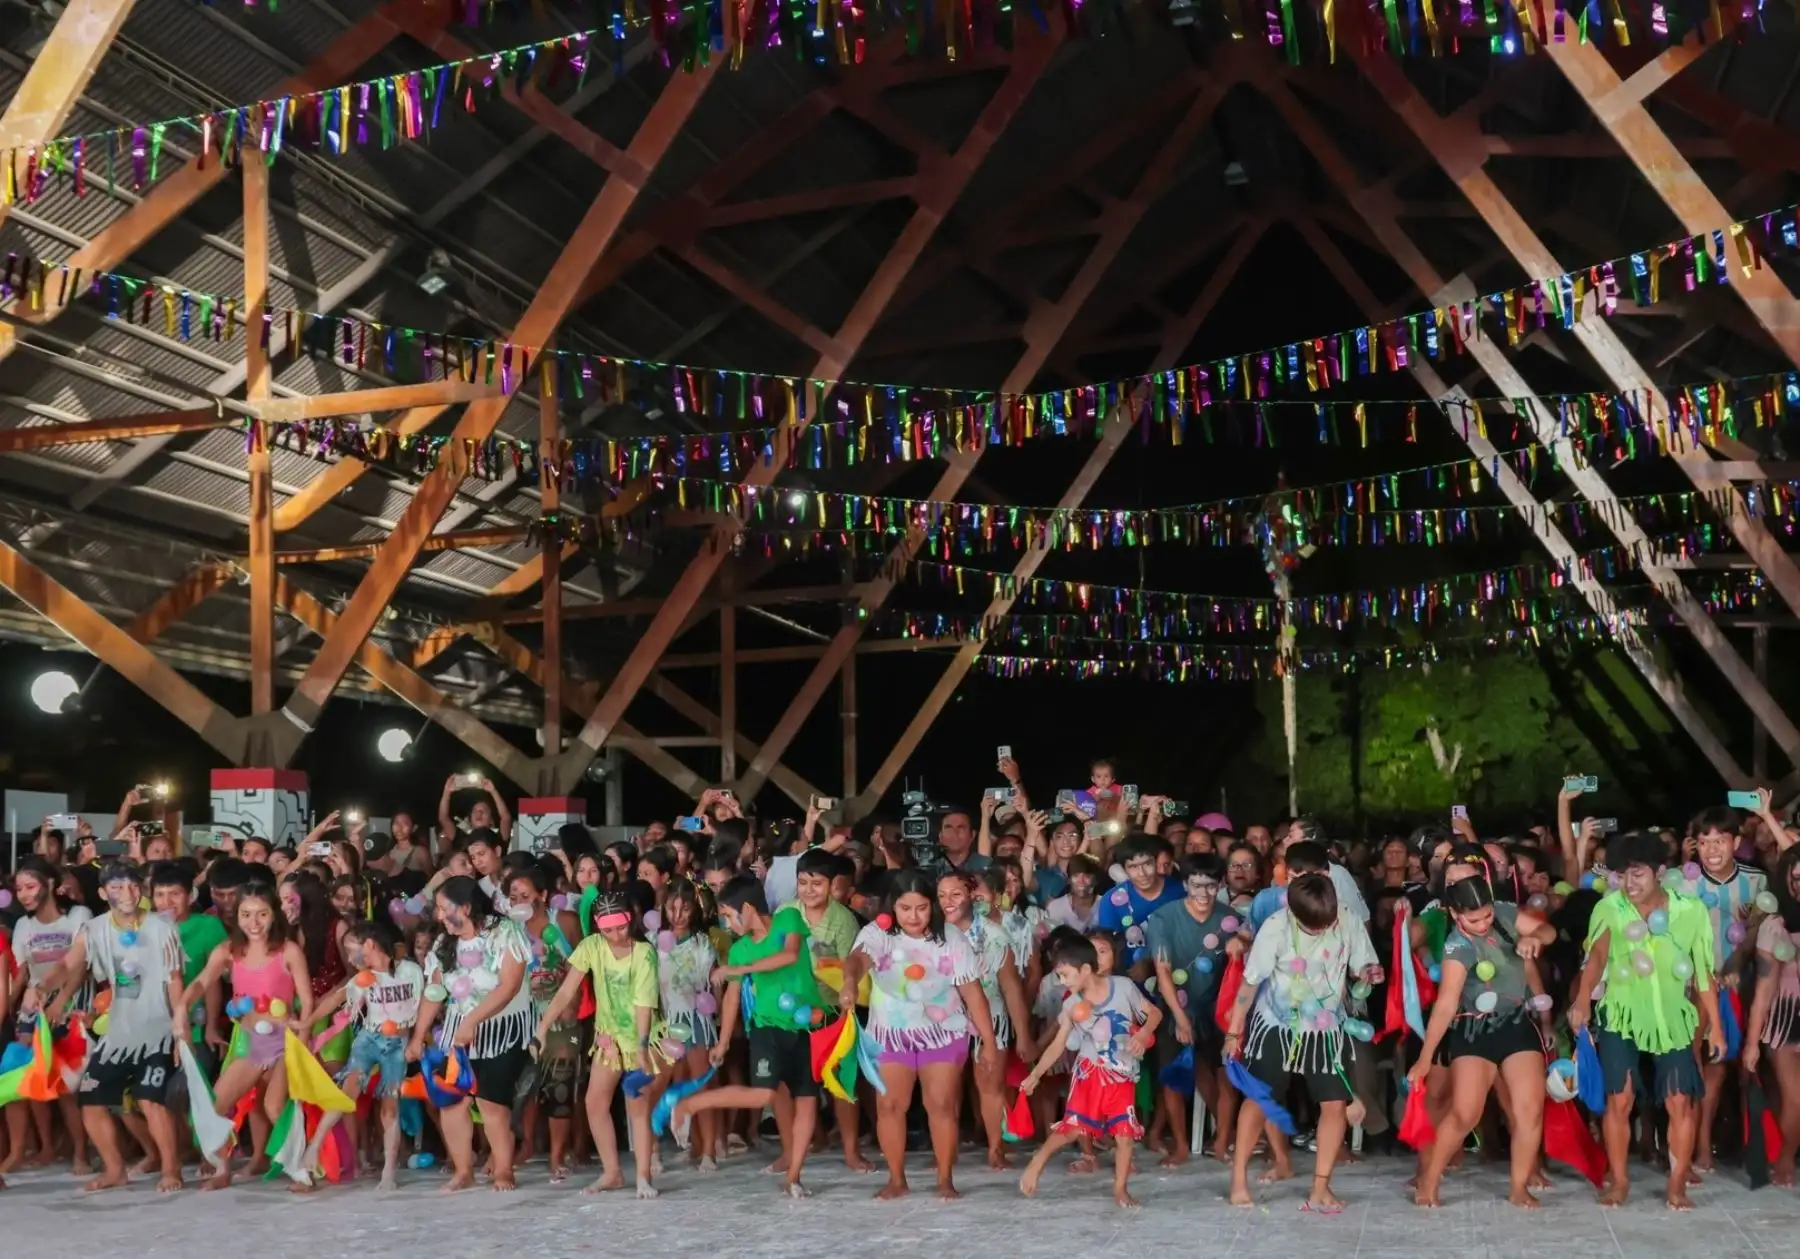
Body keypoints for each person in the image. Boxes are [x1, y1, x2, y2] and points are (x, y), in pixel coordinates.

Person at [1569, 829, 1725, 1210]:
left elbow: (1703, 974)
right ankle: (1619, 1182)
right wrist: (1582, 999)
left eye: (1637, 873)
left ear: (1659, 871)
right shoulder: (1610, 907)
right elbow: (1598, 957)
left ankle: (1676, 1186)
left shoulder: (1691, 911)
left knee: (1679, 1101)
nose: (1628, 883)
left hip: (1673, 1019)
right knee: (1618, 1100)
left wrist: (1716, 1027)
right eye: (1622, 874)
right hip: (1621, 1015)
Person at [1225, 871, 1379, 1213]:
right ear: (1294, 912)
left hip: (1325, 1027)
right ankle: (1238, 1179)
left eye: (1327, 922)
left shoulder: (1347, 920)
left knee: (1335, 1104)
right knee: (1260, 1098)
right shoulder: (1277, 927)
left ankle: (1321, 1187)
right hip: (1277, 1024)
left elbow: (1363, 963)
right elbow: (1250, 984)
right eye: (1314, 926)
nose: (1323, 930)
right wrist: (1235, 1032)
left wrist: (1369, 971)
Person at [838, 868, 996, 1201]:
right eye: (905, 908)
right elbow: (856, 960)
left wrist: (990, 1044)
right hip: (890, 1035)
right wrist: (850, 982)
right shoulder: (877, 933)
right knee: (891, 1106)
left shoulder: (951, 938)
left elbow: (973, 994)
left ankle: (945, 1178)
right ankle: (897, 1179)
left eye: (922, 908)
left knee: (941, 1105)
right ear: (892, 906)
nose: (914, 916)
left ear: (932, 906)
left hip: (944, 1033)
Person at [1406, 873, 1556, 1209]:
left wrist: (1537, 939)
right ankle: (1430, 1180)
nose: (1484, 922)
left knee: (1530, 1110)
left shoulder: (1504, 912)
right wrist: (1426, 1058)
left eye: (1487, 914)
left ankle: (1518, 1187)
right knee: (1464, 1113)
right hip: (1474, 1030)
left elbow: (1548, 930)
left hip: (1516, 1023)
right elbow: (1445, 1006)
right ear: (1455, 915)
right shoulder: (1456, 948)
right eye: (1474, 919)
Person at [672, 878, 825, 1199]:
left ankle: (794, 1176)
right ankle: (699, 1100)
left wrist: (737, 971)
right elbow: (731, 998)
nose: (727, 923)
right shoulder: (740, 949)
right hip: (767, 1027)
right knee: (763, 1094)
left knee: (807, 1101)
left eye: (728, 915)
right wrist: (723, 1041)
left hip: (806, 1026)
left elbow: (788, 954)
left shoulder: (788, 918)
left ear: (748, 908)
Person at [41, 862, 185, 1192]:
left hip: (158, 1029)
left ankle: (171, 1169)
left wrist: (180, 1027)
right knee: (90, 1098)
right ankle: (114, 1169)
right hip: (119, 1031)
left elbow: (175, 980)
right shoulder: (94, 929)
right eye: (117, 888)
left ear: (141, 889)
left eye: (133, 886)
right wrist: (42, 989)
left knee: (150, 1098)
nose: (127, 893)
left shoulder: (163, 928)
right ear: (103, 893)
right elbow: (67, 964)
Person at [177, 881, 315, 1190]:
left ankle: (302, 1170)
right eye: (246, 914)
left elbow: (306, 1001)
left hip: (284, 1043)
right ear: (236, 915)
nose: (254, 923)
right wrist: (182, 1007)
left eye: (262, 914)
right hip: (251, 1044)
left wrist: (301, 1045)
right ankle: (221, 1169)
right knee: (215, 1105)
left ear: (274, 914)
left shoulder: (288, 950)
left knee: (275, 1106)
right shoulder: (229, 951)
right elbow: (201, 982)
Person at [1018, 934, 1160, 1208]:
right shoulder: (1071, 1005)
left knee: (1124, 1135)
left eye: (1065, 975)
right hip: (1089, 1074)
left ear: (1085, 969)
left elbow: (1154, 1014)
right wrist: (1035, 1074)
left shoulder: (1123, 987)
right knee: (1073, 1129)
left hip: (1122, 1072)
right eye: (1058, 977)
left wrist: (1142, 1034)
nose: (1062, 982)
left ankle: (1120, 1189)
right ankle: (1038, 1161)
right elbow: (1058, 1046)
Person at [410, 875, 532, 1192]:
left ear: (465, 907)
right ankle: (463, 1170)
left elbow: (509, 985)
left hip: (503, 1029)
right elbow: (434, 991)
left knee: (492, 1102)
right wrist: (417, 1034)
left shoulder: (505, 932)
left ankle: (504, 1169)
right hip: (459, 1029)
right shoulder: (443, 943)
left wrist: (474, 1020)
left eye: (443, 908)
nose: (438, 916)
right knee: (451, 1100)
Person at [1677, 803, 1769, 1170]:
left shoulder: (1756, 881)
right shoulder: (1681, 882)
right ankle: (1696, 1147)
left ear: (1736, 842)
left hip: (1738, 988)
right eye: (1704, 841)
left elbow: (1755, 935)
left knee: (1730, 1071)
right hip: (1690, 988)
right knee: (1695, 1067)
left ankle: (1745, 1145)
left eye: (1720, 841)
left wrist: (1733, 965)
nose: (1712, 849)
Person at [305, 920, 421, 1189]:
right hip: (368, 1038)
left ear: (369, 945)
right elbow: (335, 999)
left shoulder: (410, 971)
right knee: (348, 1092)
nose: (348, 957)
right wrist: (307, 1023)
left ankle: (389, 1171)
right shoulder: (361, 979)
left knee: (390, 1106)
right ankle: (314, 1146)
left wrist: (419, 1037)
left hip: (397, 1045)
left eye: (351, 949)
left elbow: (425, 1002)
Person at [1147, 853, 1239, 1167]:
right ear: (1184, 884)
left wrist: (1244, 943)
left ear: (1221, 886)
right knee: (1173, 1078)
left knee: (1227, 1076)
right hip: (1176, 1006)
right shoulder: (1163, 918)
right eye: (1196, 886)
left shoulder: (1231, 920)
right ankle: (1181, 1146)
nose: (1203, 894)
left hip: (1218, 1009)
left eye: (1211, 887)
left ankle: (1223, 1141)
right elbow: (1162, 969)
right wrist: (1180, 1018)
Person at [941, 869, 1034, 1169]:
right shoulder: (933, 933)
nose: (948, 901)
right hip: (945, 1021)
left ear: (971, 895)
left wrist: (1023, 1034)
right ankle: (947, 1149)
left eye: (956, 894)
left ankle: (996, 1148)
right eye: (942, 895)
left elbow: (1011, 988)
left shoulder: (995, 935)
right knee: (946, 1089)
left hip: (991, 1018)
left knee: (990, 1086)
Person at [5, 855, 92, 1175]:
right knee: (29, 1077)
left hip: (74, 1002)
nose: (25, 894)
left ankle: (81, 1152)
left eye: (31, 886)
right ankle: (43, 1147)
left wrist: (62, 1002)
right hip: (36, 1002)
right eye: (19, 889)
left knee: (68, 1086)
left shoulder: (78, 915)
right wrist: (9, 1008)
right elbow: (21, 973)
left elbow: (80, 965)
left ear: (51, 885)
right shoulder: (24, 926)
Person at [792, 847, 869, 1171]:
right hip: (795, 1010)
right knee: (798, 1082)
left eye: (817, 883)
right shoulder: (786, 912)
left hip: (835, 1008)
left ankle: (851, 1150)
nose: (810, 890)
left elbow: (852, 965)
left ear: (831, 884)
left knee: (840, 1081)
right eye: (803, 882)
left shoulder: (843, 919)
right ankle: (805, 1144)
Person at [506, 863, 581, 1181]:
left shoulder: (564, 922)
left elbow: (583, 966)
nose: (519, 900)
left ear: (544, 895)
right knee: (523, 1089)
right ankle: (525, 1146)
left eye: (525, 894)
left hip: (561, 1018)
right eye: (512, 895)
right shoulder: (509, 930)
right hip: (522, 1019)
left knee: (560, 1089)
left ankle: (556, 1155)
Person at [1744, 844, 1800, 1186]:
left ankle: (1784, 1152)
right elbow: (1764, 990)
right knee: (1795, 1098)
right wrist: (1751, 1044)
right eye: (1796, 878)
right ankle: (1784, 1159)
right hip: (1785, 1019)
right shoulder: (1776, 925)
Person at [1094, 834, 1182, 970]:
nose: (1142, 873)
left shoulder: (1180, 891)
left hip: (1178, 974)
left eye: (1147, 864)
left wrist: (1150, 967)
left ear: (1156, 861)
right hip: (1131, 981)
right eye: (1133, 867)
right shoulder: (1110, 900)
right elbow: (1107, 947)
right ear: (1124, 869)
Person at [1044, 853, 1101, 932]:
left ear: (1095, 880)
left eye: (1086, 876)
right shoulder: (1055, 907)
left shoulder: (1105, 905)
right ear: (1069, 879)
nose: (1081, 881)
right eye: (1075, 876)